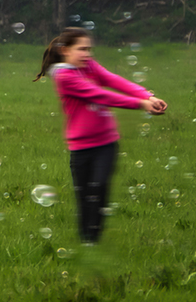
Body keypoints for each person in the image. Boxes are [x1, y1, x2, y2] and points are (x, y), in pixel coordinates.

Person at [34, 27, 167, 244]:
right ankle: (87, 242)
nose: (87, 54)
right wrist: (141, 104)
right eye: (82, 49)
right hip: (80, 149)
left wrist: (146, 95)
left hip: (106, 144)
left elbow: (112, 80)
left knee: (99, 189)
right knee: (84, 196)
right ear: (65, 50)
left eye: (89, 49)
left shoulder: (89, 66)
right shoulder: (64, 76)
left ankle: (93, 238)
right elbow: (99, 94)